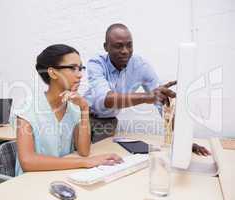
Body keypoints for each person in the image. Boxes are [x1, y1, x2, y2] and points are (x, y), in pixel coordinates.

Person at [84, 23, 210, 156]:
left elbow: (164, 107)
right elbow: (106, 99)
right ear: (106, 47)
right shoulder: (96, 63)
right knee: (77, 157)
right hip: (83, 117)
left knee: (100, 158)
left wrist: (184, 141)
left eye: (129, 45)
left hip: (108, 122)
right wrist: (148, 97)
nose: (125, 50)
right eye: (118, 45)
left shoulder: (141, 66)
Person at [15, 44, 123, 176]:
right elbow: (28, 162)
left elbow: (84, 151)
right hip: (30, 182)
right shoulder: (27, 108)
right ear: (52, 72)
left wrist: (84, 109)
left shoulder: (74, 107)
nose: (80, 75)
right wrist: (85, 162)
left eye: (80, 68)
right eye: (73, 68)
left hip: (61, 175)